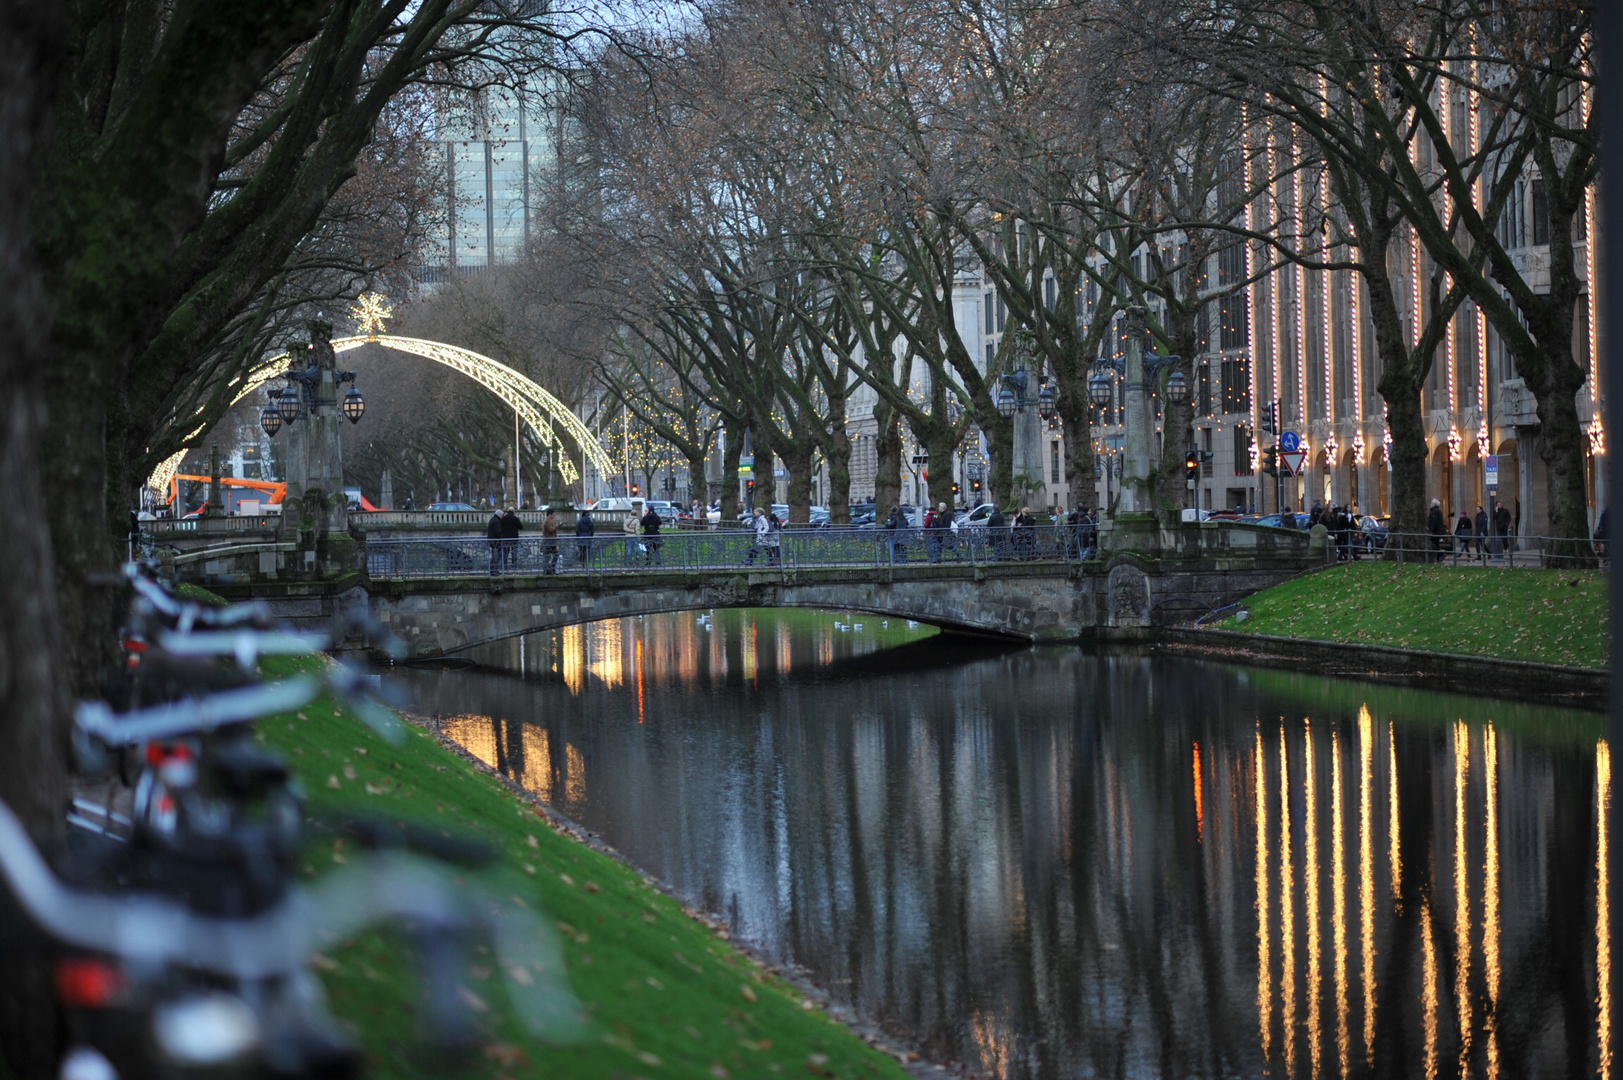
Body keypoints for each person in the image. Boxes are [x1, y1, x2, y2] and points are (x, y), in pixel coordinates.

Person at [500, 505, 522, 572]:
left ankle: (505, 566)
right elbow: (521, 527)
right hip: (514, 538)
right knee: (514, 552)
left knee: (505, 553)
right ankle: (514, 566)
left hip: (505, 538)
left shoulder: (503, 519)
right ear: (513, 511)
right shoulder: (515, 518)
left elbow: (500, 527)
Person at [540, 507, 560, 574]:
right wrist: (556, 526)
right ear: (549, 515)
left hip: (551, 542)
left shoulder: (549, 521)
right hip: (548, 542)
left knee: (554, 555)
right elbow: (551, 529)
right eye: (553, 515)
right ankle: (547, 570)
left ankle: (550, 569)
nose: (553, 516)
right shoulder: (547, 521)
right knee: (547, 557)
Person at [486, 506, 504, 575]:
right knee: (496, 557)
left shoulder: (493, 519)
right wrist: (502, 537)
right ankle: (493, 570)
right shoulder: (497, 521)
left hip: (492, 541)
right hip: (496, 542)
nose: (502, 517)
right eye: (502, 515)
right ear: (499, 515)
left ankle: (493, 570)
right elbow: (498, 532)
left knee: (495, 556)